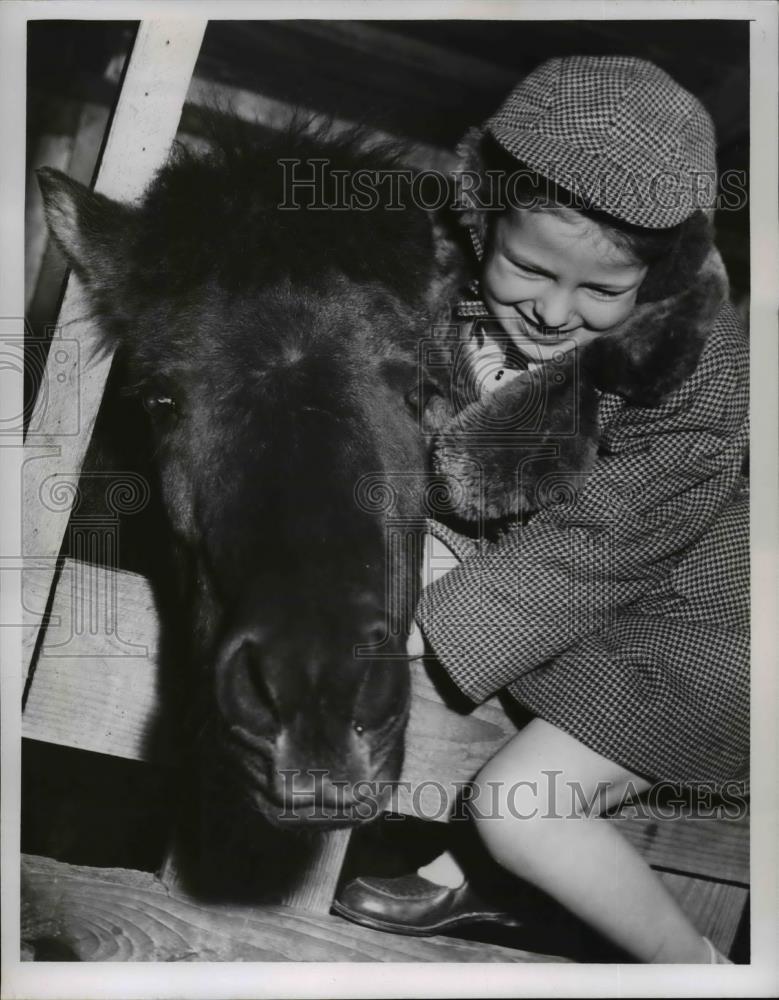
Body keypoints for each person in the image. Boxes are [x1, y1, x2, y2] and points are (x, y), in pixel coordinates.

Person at [334, 55, 748, 964]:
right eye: (529, 269)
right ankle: (481, 880)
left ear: (662, 273)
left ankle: (698, 973)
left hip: (707, 638)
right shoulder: (452, 299)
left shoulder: (695, 368)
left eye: (601, 291)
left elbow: (601, 547)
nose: (555, 313)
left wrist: (426, 622)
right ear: (483, 215)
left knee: (519, 807)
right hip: (611, 617)